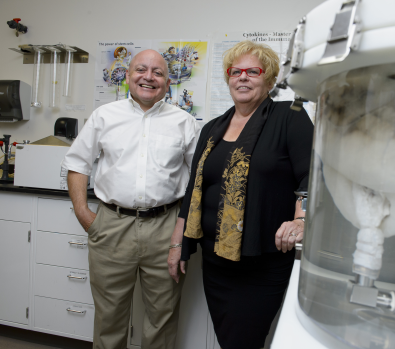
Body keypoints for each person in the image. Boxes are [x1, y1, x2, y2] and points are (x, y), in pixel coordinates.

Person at [168, 40, 314, 349]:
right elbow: (194, 188)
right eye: (236, 71)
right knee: (228, 338)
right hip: (215, 260)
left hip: (261, 262)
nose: (243, 77)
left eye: (253, 71)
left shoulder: (289, 116)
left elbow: (312, 175)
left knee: (242, 341)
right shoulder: (211, 129)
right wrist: (178, 244)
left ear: (269, 78)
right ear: (228, 77)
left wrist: (300, 221)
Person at [62, 49, 200, 349]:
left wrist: (182, 232)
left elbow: (198, 180)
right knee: (110, 317)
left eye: (158, 72)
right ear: (127, 75)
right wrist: (85, 215)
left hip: (166, 228)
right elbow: (77, 165)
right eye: (141, 69)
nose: (148, 77)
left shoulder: (184, 123)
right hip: (112, 225)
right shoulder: (103, 116)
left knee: (162, 318)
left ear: (167, 81)